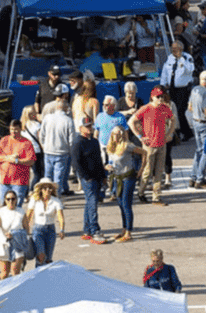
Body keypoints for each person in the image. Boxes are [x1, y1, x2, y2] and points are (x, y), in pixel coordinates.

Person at [130, 86, 176, 205]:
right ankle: (141, 192)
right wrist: (140, 137)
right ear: (152, 97)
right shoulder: (145, 108)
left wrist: (169, 133)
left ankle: (156, 197)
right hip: (149, 145)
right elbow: (131, 122)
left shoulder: (165, 108)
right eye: (158, 97)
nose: (160, 99)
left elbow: (173, 120)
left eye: (162, 96)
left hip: (161, 144)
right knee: (147, 171)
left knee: (159, 172)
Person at [72, 115, 110, 244]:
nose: (90, 128)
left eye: (90, 126)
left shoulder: (94, 141)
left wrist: (104, 176)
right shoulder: (78, 142)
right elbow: (76, 163)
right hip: (88, 179)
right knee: (93, 203)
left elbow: (99, 160)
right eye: (87, 126)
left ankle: (87, 230)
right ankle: (95, 231)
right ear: (80, 128)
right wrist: (85, 177)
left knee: (89, 203)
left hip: (97, 176)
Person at [107, 127, 143, 242]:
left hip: (128, 177)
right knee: (120, 204)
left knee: (126, 204)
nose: (117, 136)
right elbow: (110, 161)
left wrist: (141, 170)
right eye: (114, 133)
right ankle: (124, 229)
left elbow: (145, 153)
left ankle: (129, 232)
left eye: (119, 133)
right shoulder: (111, 147)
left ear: (123, 135)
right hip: (117, 177)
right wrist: (107, 167)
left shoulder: (127, 145)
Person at [0, 117, 37, 204]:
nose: (14, 131)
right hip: (5, 180)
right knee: (4, 206)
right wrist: (8, 158)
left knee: (16, 206)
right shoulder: (4, 140)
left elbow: (31, 160)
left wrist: (17, 161)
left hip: (19, 182)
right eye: (12, 129)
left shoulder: (26, 143)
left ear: (21, 129)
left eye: (16, 129)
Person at [39, 93, 76, 195]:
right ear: (66, 108)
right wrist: (70, 151)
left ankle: (45, 196)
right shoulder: (69, 121)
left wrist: (44, 146)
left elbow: (41, 135)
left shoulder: (47, 118)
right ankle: (56, 197)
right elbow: (72, 139)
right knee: (58, 178)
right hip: (62, 152)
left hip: (48, 151)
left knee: (48, 176)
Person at [23, 179, 65, 265]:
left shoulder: (56, 201)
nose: (48, 190)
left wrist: (62, 230)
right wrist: (25, 230)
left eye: (50, 188)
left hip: (50, 230)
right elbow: (28, 216)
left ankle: (46, 276)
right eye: (45, 188)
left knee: (48, 258)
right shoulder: (35, 200)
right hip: (38, 230)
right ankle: (38, 274)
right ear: (41, 189)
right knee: (41, 255)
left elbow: (60, 216)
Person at [160, 40, 195, 140]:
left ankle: (187, 132)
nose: (173, 50)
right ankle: (178, 132)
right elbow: (165, 71)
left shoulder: (187, 57)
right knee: (172, 111)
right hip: (172, 89)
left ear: (181, 49)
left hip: (183, 89)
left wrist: (181, 59)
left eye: (176, 49)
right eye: (172, 48)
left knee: (180, 110)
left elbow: (190, 70)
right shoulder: (170, 58)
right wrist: (163, 84)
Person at [0, 191, 29, 279]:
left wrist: (16, 235)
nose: (11, 201)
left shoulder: (21, 212)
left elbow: (26, 229)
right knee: (4, 274)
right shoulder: (0, 211)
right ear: (5, 200)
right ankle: (3, 291)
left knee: (15, 272)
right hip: (4, 244)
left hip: (17, 244)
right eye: (8, 199)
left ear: (16, 200)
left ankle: (16, 292)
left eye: (13, 199)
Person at [187, 70, 206, 187]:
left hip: (195, 122)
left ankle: (193, 177)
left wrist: (197, 114)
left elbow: (190, 107)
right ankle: (200, 178)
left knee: (198, 150)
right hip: (204, 123)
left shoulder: (194, 90)